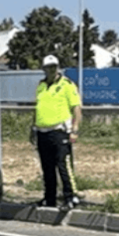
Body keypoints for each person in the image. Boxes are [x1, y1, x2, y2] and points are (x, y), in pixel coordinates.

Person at [32, 55, 82, 209]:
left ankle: (70, 197)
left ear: (58, 67)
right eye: (48, 67)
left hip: (59, 131)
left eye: (54, 66)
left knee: (63, 166)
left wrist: (74, 130)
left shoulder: (67, 84)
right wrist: (32, 128)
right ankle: (49, 198)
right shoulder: (41, 85)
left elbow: (76, 109)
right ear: (44, 69)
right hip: (42, 132)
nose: (52, 70)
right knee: (47, 167)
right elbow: (37, 108)